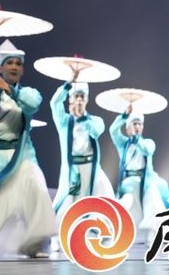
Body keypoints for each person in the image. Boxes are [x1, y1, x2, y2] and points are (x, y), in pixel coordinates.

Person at [0, 32, 56, 259]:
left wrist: (9, 89)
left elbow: (31, 105)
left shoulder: (28, 93)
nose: (14, 66)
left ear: (22, 70)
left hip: (23, 155)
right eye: (9, 63)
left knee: (37, 190)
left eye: (18, 63)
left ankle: (35, 245)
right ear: (1, 67)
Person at [51, 72, 114, 232]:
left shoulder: (95, 121)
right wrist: (67, 85)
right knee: (69, 202)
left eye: (82, 96)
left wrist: (83, 117)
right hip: (73, 169)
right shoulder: (64, 121)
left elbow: (96, 132)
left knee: (101, 197)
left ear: (86, 100)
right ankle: (68, 232)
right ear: (70, 99)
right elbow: (54, 102)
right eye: (76, 96)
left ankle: (99, 230)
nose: (79, 99)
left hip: (92, 168)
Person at [109, 108, 169, 245]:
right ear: (127, 128)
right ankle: (121, 233)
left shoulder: (148, 143)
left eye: (139, 124)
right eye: (134, 124)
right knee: (125, 203)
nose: (137, 127)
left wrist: (136, 139)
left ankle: (154, 234)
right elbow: (113, 131)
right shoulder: (123, 144)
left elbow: (146, 150)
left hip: (145, 182)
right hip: (128, 184)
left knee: (154, 203)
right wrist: (124, 116)